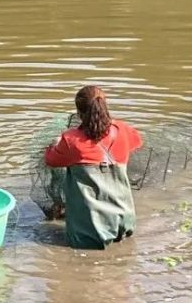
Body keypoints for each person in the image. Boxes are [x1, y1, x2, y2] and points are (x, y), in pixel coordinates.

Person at [44, 85, 143, 250]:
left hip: (88, 234)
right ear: (104, 107)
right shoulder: (123, 130)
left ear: (79, 114)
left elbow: (50, 160)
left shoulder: (71, 140)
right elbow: (137, 142)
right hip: (125, 223)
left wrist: (55, 144)